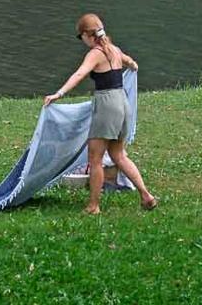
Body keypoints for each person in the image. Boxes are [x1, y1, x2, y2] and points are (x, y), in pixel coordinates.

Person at [44, 13, 158, 215]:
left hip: (107, 105)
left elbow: (79, 74)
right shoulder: (114, 50)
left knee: (95, 159)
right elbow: (131, 62)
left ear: (88, 35)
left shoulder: (95, 54)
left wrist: (59, 93)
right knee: (119, 155)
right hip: (122, 102)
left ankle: (94, 206)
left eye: (81, 37)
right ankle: (146, 195)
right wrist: (132, 66)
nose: (82, 41)